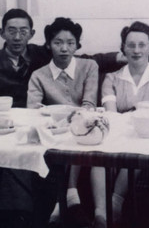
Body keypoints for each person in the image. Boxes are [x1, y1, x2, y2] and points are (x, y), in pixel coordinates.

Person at [0, 9, 124, 227]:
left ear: (31, 34)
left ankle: (47, 208)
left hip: (44, 121)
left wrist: (118, 55)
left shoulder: (40, 54)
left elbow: (78, 57)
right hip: (11, 122)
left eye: (23, 31)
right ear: (2, 32)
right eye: (11, 31)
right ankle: (12, 215)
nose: (17, 37)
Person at [90, 21, 149, 228]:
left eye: (142, 45)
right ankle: (101, 214)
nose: (136, 50)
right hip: (118, 132)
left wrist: (133, 113)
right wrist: (141, 111)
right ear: (123, 48)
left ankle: (116, 202)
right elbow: (111, 113)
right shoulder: (111, 77)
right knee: (97, 152)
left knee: (141, 144)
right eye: (131, 45)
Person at [27, 17, 99, 228]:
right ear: (48, 45)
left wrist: (75, 119)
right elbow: (33, 110)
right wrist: (56, 120)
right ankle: (69, 198)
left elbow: (89, 102)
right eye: (58, 42)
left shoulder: (89, 66)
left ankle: (67, 196)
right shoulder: (39, 76)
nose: (64, 48)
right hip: (54, 129)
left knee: (79, 130)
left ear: (77, 45)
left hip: (84, 125)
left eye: (70, 43)